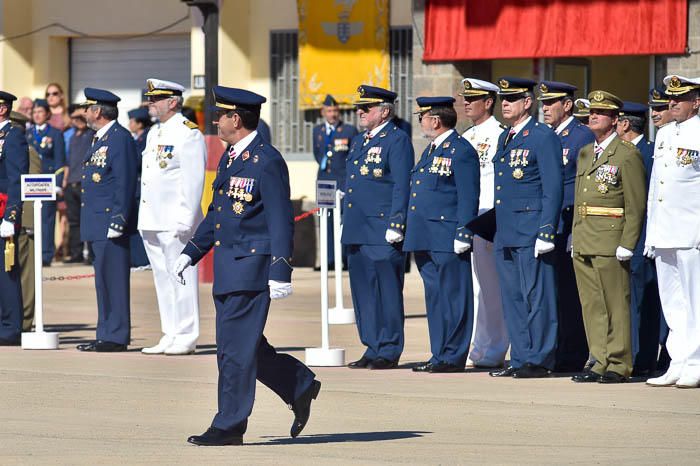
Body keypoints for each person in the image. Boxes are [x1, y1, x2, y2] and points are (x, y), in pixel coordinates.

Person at [173, 86, 321, 446]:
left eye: (220, 115)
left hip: (251, 270)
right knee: (243, 346)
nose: (215, 121)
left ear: (235, 119)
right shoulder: (231, 157)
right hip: (228, 266)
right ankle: (298, 384)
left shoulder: (265, 160)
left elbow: (280, 219)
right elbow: (218, 214)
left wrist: (281, 270)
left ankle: (229, 425)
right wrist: (191, 251)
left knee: (234, 353)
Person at [489, 77, 563, 379]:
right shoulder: (505, 136)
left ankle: (540, 358)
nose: (504, 104)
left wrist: (547, 229)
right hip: (506, 228)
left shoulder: (542, 136)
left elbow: (552, 186)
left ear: (527, 102)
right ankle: (519, 357)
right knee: (513, 297)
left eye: (512, 99)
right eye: (502, 99)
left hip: (531, 229)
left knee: (537, 297)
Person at [570, 90, 646, 384]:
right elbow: (580, 199)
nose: (593, 116)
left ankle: (619, 361)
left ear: (615, 120)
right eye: (592, 112)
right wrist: (575, 235)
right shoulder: (587, 152)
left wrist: (628, 243)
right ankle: (598, 359)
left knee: (615, 304)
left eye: (600, 113)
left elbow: (635, 205)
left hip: (611, 241)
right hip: (586, 238)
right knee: (592, 305)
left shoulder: (627, 155)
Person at [404, 96, 479, 373]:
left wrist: (464, 231)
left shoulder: (461, 151)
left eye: (422, 117)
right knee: (435, 298)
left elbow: (469, 196)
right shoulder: (432, 149)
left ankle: (453, 355)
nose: (420, 122)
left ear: (435, 120)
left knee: (454, 297)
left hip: (447, 235)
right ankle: (439, 353)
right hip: (425, 235)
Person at [342, 85, 413, 370]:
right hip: (358, 228)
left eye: (366, 108)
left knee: (386, 291)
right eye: (359, 107)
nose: (360, 112)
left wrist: (397, 222)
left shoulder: (397, 140)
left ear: (384, 112)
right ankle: (372, 345)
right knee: (363, 292)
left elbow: (401, 183)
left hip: (382, 229)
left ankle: (389, 348)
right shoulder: (360, 141)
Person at [138, 78, 206, 356]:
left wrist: (186, 219)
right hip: (152, 218)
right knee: (162, 278)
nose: (150, 103)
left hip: (175, 220)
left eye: (156, 99)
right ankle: (170, 331)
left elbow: (193, 181)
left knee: (181, 277)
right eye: (150, 99)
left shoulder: (188, 133)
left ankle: (187, 334)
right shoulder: (154, 132)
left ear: (173, 102)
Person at [645, 75, 700, 389]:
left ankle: (696, 361)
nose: (673, 104)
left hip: (691, 230)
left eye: (680, 99)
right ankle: (677, 360)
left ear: (696, 101)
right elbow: (657, 187)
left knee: (695, 300)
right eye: (671, 99)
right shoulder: (664, 134)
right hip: (665, 229)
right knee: (672, 301)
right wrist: (652, 231)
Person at [538, 81, 595, 372]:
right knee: (554, 290)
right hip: (551, 223)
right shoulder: (546, 135)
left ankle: (573, 353)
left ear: (568, 105)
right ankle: (558, 349)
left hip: (571, 221)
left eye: (551, 104)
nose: (545, 108)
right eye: (543, 104)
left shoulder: (581, 135)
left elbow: (585, 183)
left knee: (570, 292)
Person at [76, 88, 137, 353]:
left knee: (113, 280)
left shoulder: (119, 139)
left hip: (110, 222)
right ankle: (106, 332)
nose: (84, 113)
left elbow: (125, 182)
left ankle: (116, 335)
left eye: (87, 108)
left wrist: (119, 218)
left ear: (98, 111)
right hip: (97, 222)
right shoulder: (100, 138)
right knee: (102, 281)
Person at [460, 77, 509, 369]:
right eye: (465, 98)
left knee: (492, 287)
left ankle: (496, 346)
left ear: (488, 102)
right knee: (477, 286)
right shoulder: (467, 136)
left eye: (473, 98)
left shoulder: (499, 134)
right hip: (471, 219)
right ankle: (478, 346)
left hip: (489, 217)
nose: (466, 103)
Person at [616, 101, 664, 377]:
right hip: (622, 235)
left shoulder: (649, 151)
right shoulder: (623, 151)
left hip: (643, 235)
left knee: (644, 299)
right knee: (626, 300)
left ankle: (643, 357)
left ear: (624, 124)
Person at [312, 94, 358, 269]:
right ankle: (329, 260)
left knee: (344, 220)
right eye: (329, 110)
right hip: (324, 180)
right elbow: (317, 154)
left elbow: (352, 157)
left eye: (335, 111)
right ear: (323, 112)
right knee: (326, 219)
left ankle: (345, 258)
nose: (332, 114)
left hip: (343, 180)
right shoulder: (318, 131)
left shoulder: (348, 130)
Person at [0, 91, 29, 345]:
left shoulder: (13, 135)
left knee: (5, 271)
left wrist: (11, 214)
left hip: (2, 212)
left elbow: (16, 177)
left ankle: (10, 328)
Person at [10, 111, 41, 331]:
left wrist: (29, 223)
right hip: (8, 219)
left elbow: (34, 188)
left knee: (26, 274)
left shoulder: (29, 152)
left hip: (22, 221)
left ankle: (26, 318)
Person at [27, 99, 66, 266]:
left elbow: (59, 160)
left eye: (40, 112)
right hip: (31, 182)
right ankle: (32, 253)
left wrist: (57, 183)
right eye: (34, 112)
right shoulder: (26, 133)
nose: (37, 115)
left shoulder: (55, 134)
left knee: (47, 220)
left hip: (47, 182)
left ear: (47, 114)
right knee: (31, 219)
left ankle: (46, 255)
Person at [63, 105, 95, 263]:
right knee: (74, 221)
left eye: (81, 118)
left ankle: (90, 254)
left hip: (85, 182)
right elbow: (68, 161)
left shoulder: (91, 134)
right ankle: (76, 253)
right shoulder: (73, 136)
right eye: (75, 119)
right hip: (72, 182)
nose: (79, 121)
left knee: (87, 219)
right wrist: (65, 181)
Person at [126, 107, 152, 269]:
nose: (129, 124)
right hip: (136, 187)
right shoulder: (138, 138)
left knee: (141, 226)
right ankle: (137, 259)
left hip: (143, 188)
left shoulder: (147, 138)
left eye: (132, 121)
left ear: (139, 123)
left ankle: (142, 260)